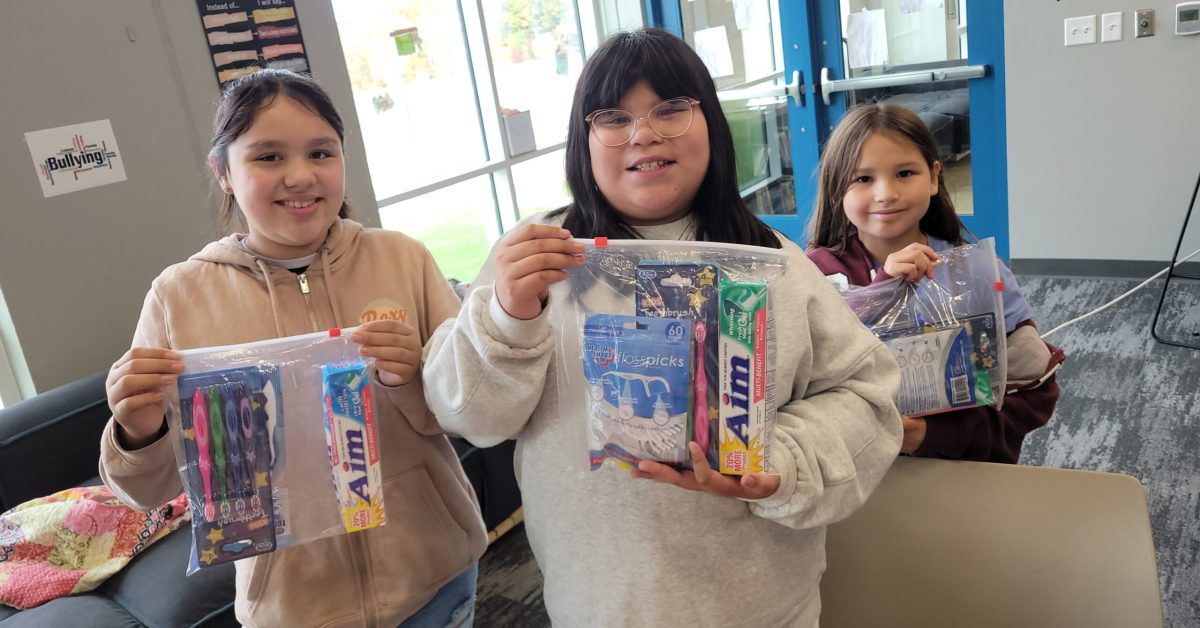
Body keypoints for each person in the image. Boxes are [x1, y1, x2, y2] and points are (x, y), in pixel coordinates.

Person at [422, 28, 902, 627]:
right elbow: (467, 416)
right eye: (613, 117)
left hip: (762, 604)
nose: (643, 133)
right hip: (597, 603)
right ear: (583, 140)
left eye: (670, 109)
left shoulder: (774, 265)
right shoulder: (535, 259)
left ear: (712, 126)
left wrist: (779, 461)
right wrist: (507, 318)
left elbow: (868, 393)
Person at [99, 69, 485, 627]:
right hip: (295, 608)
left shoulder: (403, 259)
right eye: (269, 157)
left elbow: (471, 414)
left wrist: (414, 378)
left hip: (435, 577)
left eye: (321, 153)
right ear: (223, 172)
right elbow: (149, 491)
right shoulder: (179, 296)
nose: (301, 176)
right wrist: (140, 430)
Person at [806, 103, 1065, 464]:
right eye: (863, 178)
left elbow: (1033, 392)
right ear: (837, 188)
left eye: (905, 173)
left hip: (950, 467)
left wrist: (933, 435)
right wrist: (884, 288)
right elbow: (805, 375)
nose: (885, 193)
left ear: (933, 177)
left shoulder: (977, 275)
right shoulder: (814, 274)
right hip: (848, 472)